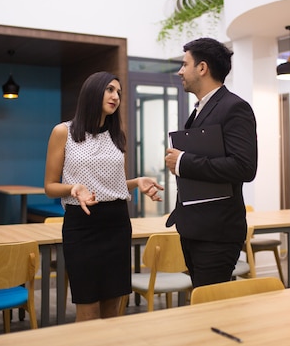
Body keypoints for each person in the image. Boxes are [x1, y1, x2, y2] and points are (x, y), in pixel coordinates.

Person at [44, 71, 164, 322]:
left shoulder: (115, 135)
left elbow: (114, 186)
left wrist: (136, 182)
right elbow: (50, 186)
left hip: (117, 224)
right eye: (110, 89)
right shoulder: (63, 132)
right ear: (93, 92)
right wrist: (72, 188)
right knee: (87, 310)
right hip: (83, 225)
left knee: (113, 310)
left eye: (118, 92)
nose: (115, 96)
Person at [164, 37, 258, 288]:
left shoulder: (234, 107)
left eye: (185, 65)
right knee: (202, 304)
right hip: (194, 228)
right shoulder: (199, 109)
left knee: (211, 308)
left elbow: (244, 167)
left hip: (217, 233)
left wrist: (183, 161)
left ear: (202, 68)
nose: (180, 71)